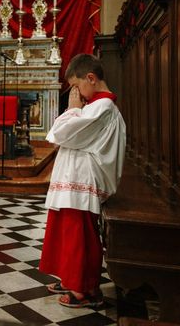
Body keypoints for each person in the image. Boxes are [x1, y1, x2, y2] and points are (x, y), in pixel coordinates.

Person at [39, 53, 126, 308]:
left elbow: (60, 133)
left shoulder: (103, 106)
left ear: (91, 78)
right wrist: (77, 110)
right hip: (75, 179)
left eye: (76, 87)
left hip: (83, 180)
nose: (75, 94)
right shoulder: (95, 105)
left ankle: (84, 290)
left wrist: (73, 109)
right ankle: (71, 278)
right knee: (68, 232)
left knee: (79, 235)